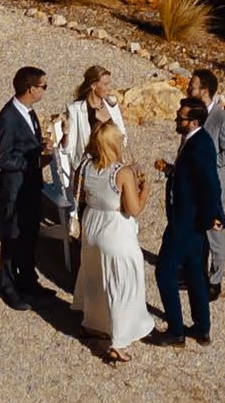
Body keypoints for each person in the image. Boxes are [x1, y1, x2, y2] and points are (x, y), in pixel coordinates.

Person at [149, 96, 225, 347]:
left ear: (193, 121)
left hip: (185, 222)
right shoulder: (194, 141)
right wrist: (173, 171)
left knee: (164, 272)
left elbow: (210, 184)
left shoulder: (199, 146)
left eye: (180, 117)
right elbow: (195, 179)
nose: (176, 118)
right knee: (195, 273)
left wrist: (214, 216)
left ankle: (176, 330)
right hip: (192, 223)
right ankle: (202, 327)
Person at [71, 121, 153, 363]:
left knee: (95, 278)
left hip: (92, 228)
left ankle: (92, 323)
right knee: (122, 284)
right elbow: (133, 209)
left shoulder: (85, 165)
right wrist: (144, 189)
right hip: (115, 231)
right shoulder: (122, 173)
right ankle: (117, 340)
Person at [0, 66, 52, 310]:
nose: (44, 90)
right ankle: (8, 287)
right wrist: (34, 162)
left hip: (30, 186)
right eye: (43, 86)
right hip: (15, 190)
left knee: (29, 234)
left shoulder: (29, 112)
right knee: (12, 237)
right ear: (31, 89)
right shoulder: (8, 118)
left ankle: (28, 280)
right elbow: (3, 159)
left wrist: (42, 146)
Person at [187, 68, 225, 300]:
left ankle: (215, 280)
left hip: (213, 186)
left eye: (193, 85)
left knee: (215, 235)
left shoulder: (222, 119)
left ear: (204, 91)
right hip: (194, 184)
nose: (188, 88)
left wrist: (204, 162)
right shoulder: (193, 112)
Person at [58, 65, 128, 200]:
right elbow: (68, 148)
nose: (109, 88)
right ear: (93, 86)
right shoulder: (76, 110)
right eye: (105, 84)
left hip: (113, 165)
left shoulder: (112, 105)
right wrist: (66, 134)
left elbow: (123, 136)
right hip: (90, 167)